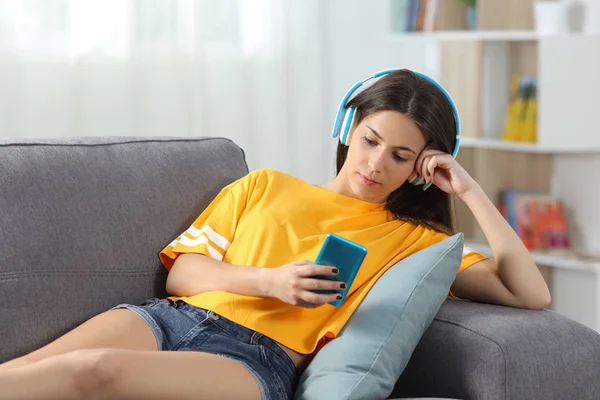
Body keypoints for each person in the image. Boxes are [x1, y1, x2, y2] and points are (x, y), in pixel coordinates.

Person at [0, 69, 551, 400]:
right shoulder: (263, 185)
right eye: (370, 140)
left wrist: (470, 191)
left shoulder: (416, 242)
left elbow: (532, 295)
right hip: (171, 316)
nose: (377, 163)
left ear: (420, 168)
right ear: (346, 129)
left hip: (256, 360)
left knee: (93, 371)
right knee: (22, 374)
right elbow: (184, 274)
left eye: (401, 156)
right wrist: (271, 281)